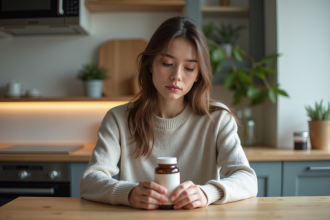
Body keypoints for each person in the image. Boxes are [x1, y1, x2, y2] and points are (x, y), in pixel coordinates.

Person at [80, 16, 257, 210]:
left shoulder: (217, 119)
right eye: (166, 63)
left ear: (198, 74)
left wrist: (207, 193)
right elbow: (90, 180)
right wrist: (129, 193)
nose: (177, 76)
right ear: (150, 65)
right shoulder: (118, 119)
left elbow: (247, 179)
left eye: (189, 68)